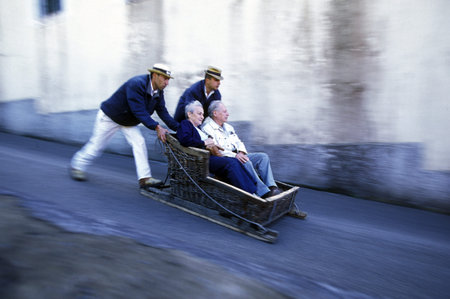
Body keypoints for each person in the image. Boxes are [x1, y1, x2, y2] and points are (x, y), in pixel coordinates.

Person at [70, 63, 179, 190]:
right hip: (110, 117)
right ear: (155, 75)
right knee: (96, 146)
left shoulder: (158, 92)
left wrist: (181, 128)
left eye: (168, 79)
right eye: (164, 78)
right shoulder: (137, 84)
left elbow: (163, 112)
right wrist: (157, 127)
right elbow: (138, 110)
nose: (167, 82)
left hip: (128, 121)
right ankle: (77, 166)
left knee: (139, 142)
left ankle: (144, 179)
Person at [202, 101, 281, 199]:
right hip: (228, 159)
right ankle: (263, 192)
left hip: (238, 155)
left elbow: (239, 142)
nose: (228, 114)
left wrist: (240, 152)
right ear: (215, 113)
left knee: (263, 157)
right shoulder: (207, 128)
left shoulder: (228, 127)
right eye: (225, 111)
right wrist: (236, 155)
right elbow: (217, 150)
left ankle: (272, 187)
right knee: (245, 161)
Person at [176, 101, 257, 195]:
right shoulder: (185, 124)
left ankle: (252, 189)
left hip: (209, 156)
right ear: (189, 114)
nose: (202, 117)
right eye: (199, 114)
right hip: (202, 159)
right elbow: (185, 140)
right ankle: (249, 193)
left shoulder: (198, 128)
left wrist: (212, 145)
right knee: (231, 163)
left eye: (202, 114)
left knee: (234, 161)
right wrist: (204, 143)